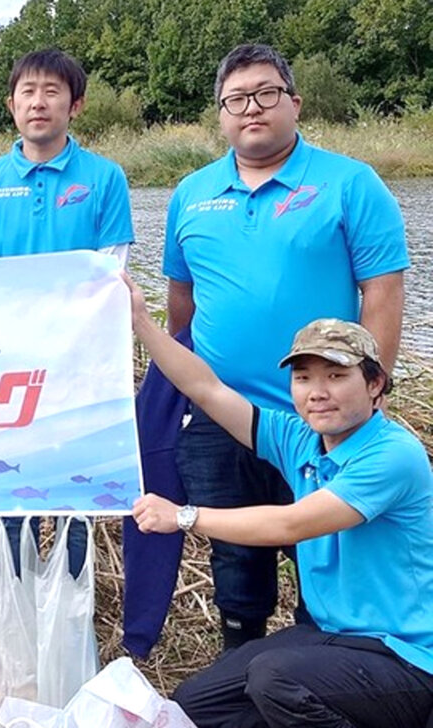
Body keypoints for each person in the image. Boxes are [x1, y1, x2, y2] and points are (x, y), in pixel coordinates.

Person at [128, 279, 433, 728]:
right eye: (303, 376)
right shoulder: (299, 440)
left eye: (337, 376)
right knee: (193, 706)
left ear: (376, 384)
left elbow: (289, 523)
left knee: (275, 678)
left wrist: (183, 517)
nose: (318, 390)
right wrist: (143, 325)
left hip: (409, 661)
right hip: (336, 640)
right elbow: (206, 390)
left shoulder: (393, 457)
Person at [163, 43, 408, 649]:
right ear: (220, 114)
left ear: (294, 103)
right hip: (222, 417)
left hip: (321, 416)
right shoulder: (190, 193)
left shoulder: (350, 184)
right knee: (236, 560)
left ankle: (322, 673)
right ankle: (241, 668)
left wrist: (366, 397)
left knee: (323, 555)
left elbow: (383, 291)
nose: (252, 108)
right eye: (236, 99)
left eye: (266, 94)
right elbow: (180, 304)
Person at [0, 48, 134, 574]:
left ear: (75, 105)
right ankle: (11, 612)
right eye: (28, 92)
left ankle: (70, 611)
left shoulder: (105, 178)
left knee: (73, 502)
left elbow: (110, 274)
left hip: (80, 369)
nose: (39, 103)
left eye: (52, 91)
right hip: (9, 367)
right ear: (12, 104)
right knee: (10, 494)